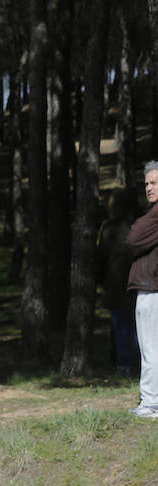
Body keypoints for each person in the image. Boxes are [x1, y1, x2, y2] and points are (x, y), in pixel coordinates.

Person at [124, 161, 158, 419]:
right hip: (151, 288)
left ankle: (150, 403)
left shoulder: (155, 216)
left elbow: (132, 240)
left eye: (154, 182)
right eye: (147, 183)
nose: (149, 187)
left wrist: (136, 227)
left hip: (151, 290)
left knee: (150, 349)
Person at [97, 190, 139, 377]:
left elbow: (101, 258)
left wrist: (99, 278)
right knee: (136, 327)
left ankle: (125, 366)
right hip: (137, 283)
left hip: (117, 284)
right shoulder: (137, 227)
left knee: (121, 326)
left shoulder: (109, 229)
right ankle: (137, 365)